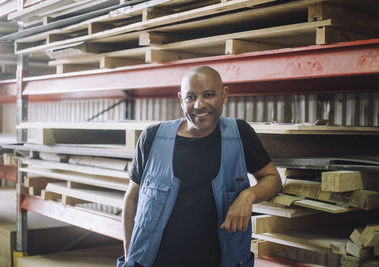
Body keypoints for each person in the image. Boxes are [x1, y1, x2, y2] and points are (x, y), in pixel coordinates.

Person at [117, 66, 282, 267]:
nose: (199, 105)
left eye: (209, 95)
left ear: (224, 95)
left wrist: (248, 196)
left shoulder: (239, 135)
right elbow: (132, 197)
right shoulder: (152, 137)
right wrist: (128, 259)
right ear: (181, 99)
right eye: (190, 97)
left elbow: (273, 179)